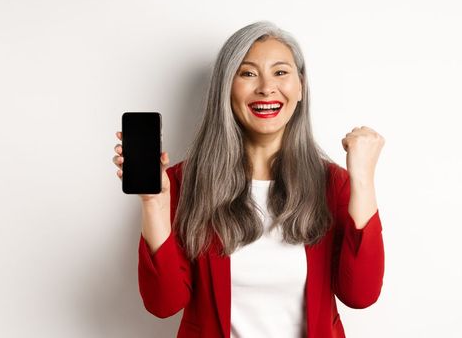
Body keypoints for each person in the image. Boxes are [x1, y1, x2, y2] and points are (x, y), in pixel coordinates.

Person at [112, 21, 385, 338]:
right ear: (226, 88)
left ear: (301, 87)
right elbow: (163, 303)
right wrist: (155, 204)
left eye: (280, 72)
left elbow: (360, 294)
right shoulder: (181, 182)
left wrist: (362, 179)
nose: (266, 87)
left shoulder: (332, 183)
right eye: (248, 73)